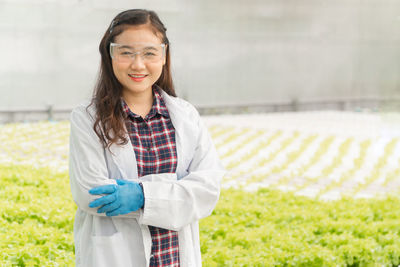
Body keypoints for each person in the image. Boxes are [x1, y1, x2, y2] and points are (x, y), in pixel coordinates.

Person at [68, 9, 226, 267]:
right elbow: (91, 194)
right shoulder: (88, 118)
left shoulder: (185, 116)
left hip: (174, 258)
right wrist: (176, 191)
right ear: (110, 55)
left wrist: (142, 194)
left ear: (164, 56)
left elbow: (207, 190)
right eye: (126, 52)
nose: (138, 64)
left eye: (149, 53)